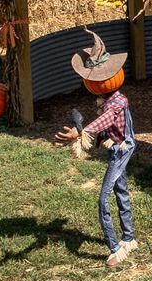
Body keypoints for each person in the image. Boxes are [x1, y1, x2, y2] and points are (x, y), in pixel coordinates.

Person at [55, 30, 138, 267]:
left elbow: (106, 121)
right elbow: (105, 124)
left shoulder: (117, 102)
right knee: (121, 191)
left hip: (122, 150)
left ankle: (115, 248)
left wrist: (82, 132)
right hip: (116, 149)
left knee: (104, 199)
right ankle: (129, 238)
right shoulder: (108, 101)